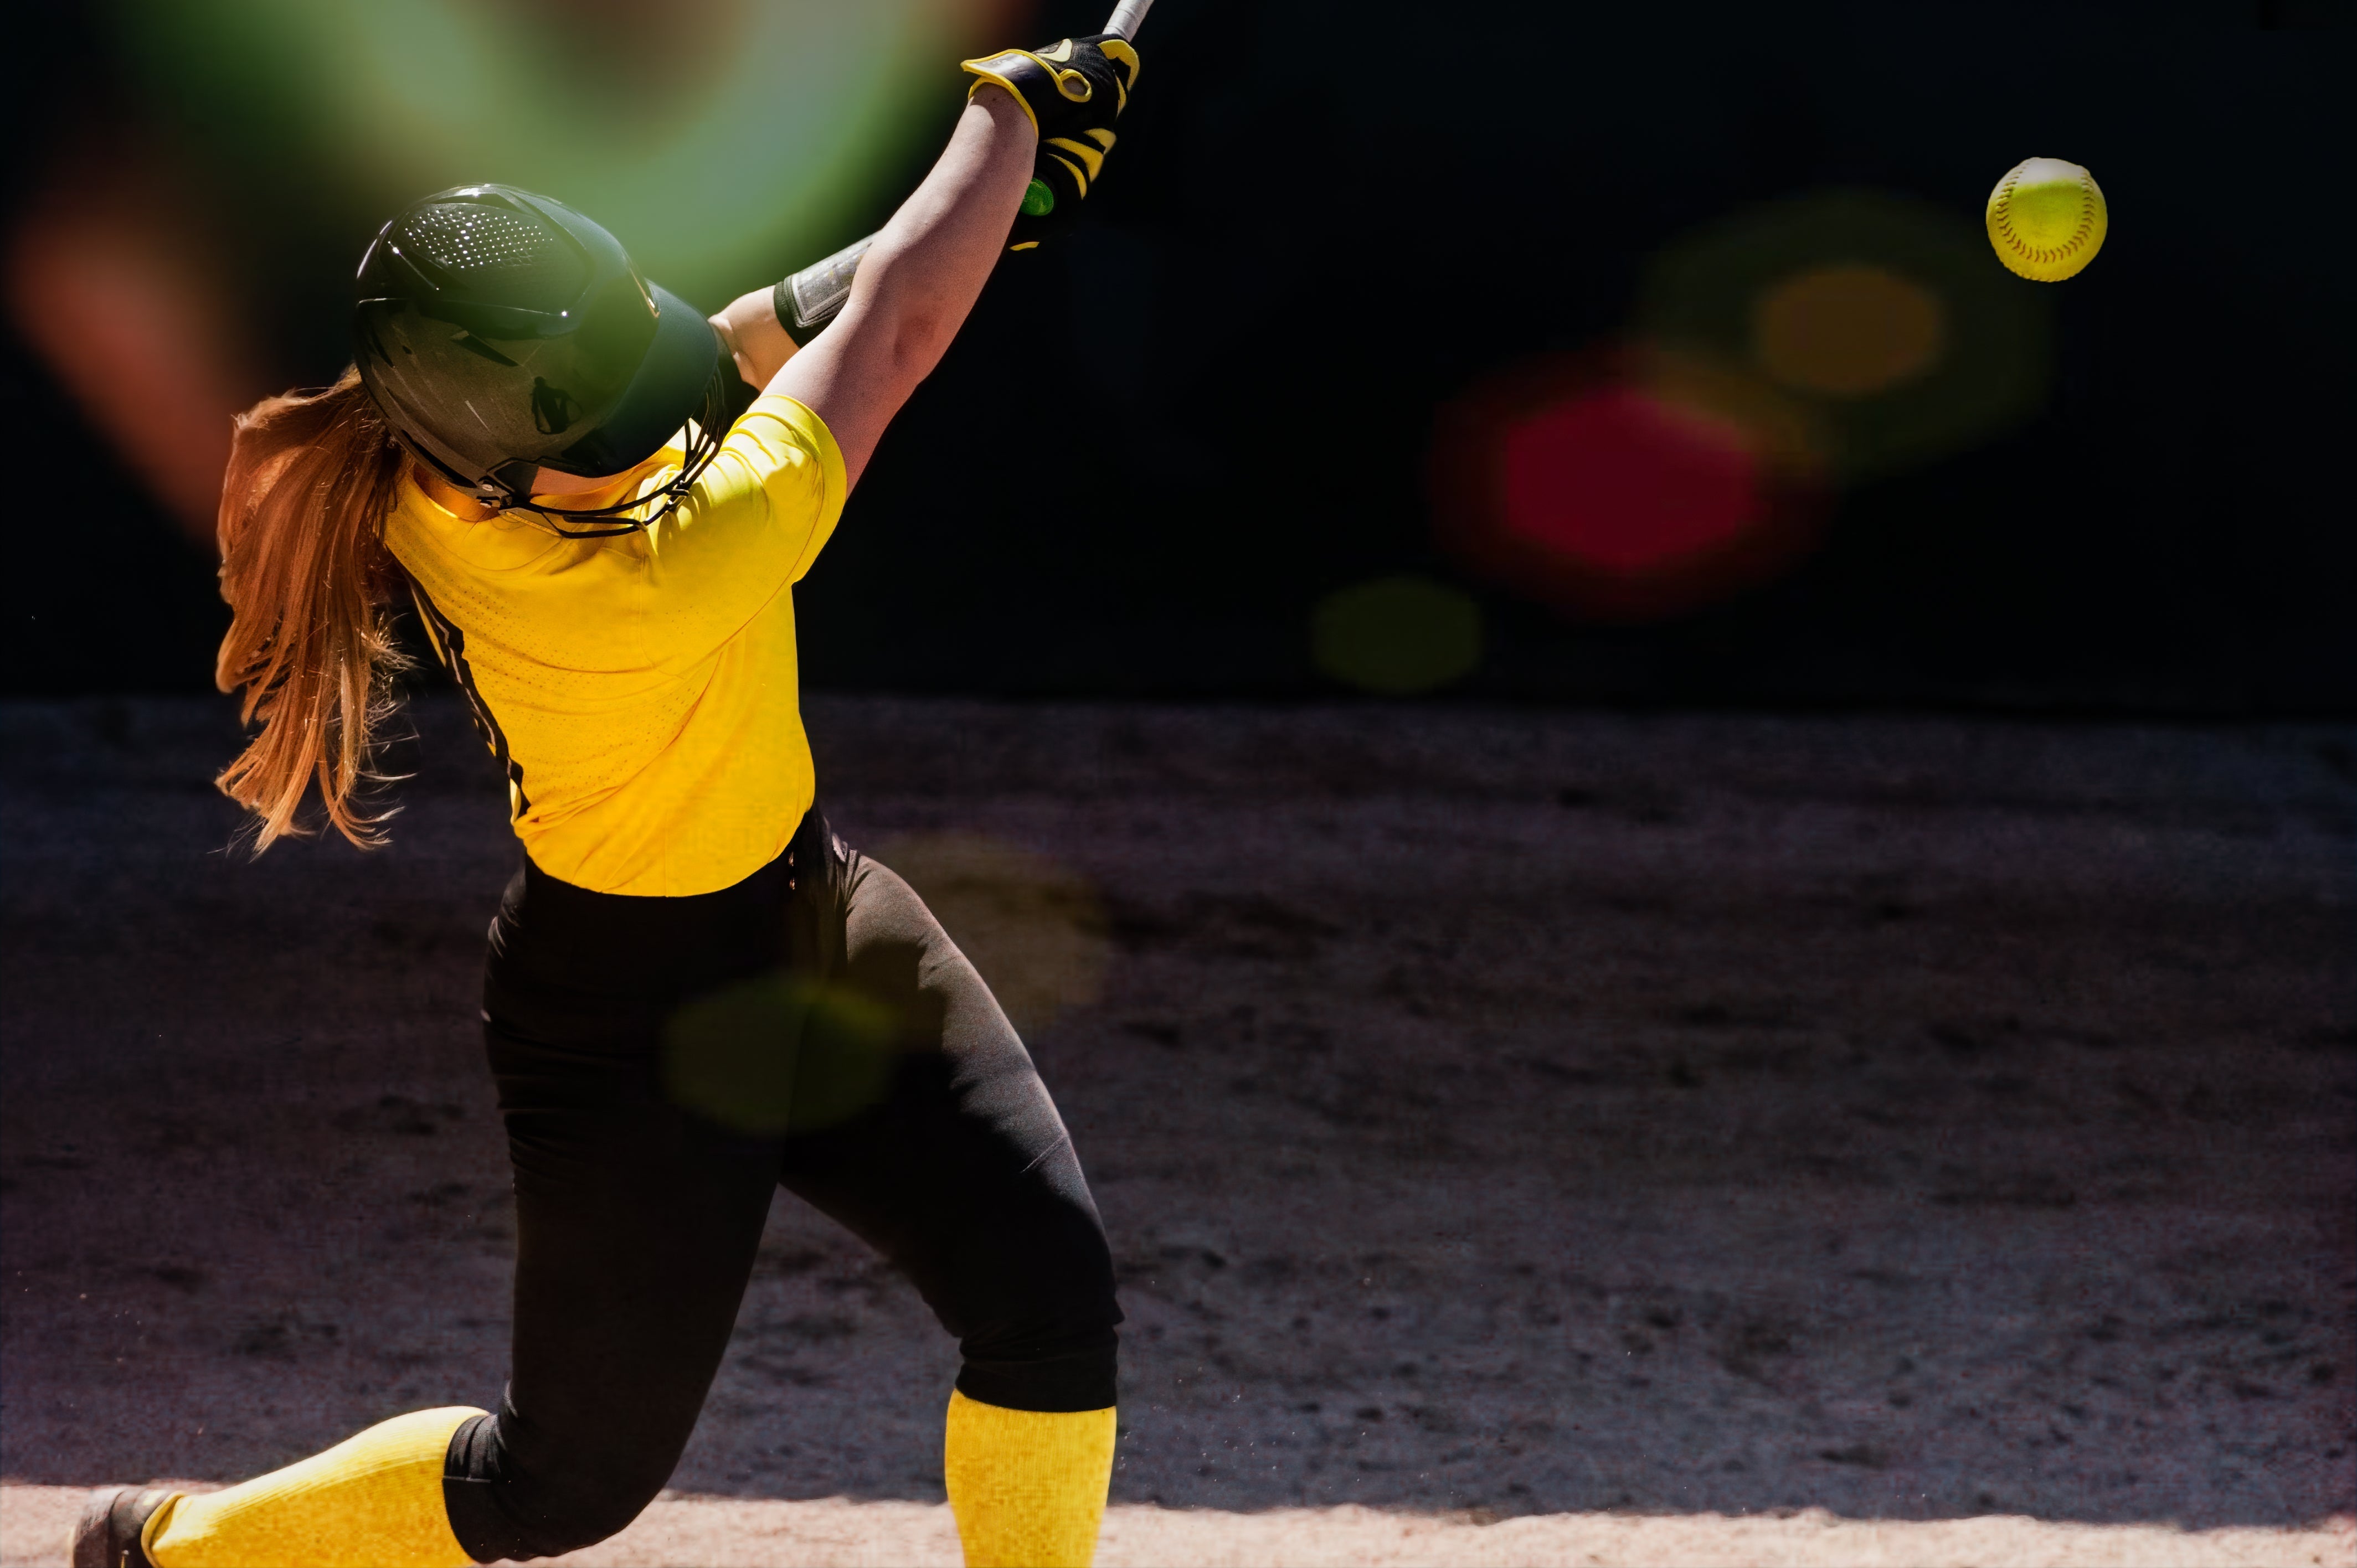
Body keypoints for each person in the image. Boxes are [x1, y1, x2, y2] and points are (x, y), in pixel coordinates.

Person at [71, 32, 1143, 1568]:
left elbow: (747, 340)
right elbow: (895, 332)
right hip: (635, 1016)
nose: (650, 433)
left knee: (1048, 1302)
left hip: (818, 916)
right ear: (498, 464)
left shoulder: (458, 454)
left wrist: (987, 207)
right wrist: (1007, 116)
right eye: (607, 427)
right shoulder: (651, 574)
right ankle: (167, 1547)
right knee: (556, 1487)